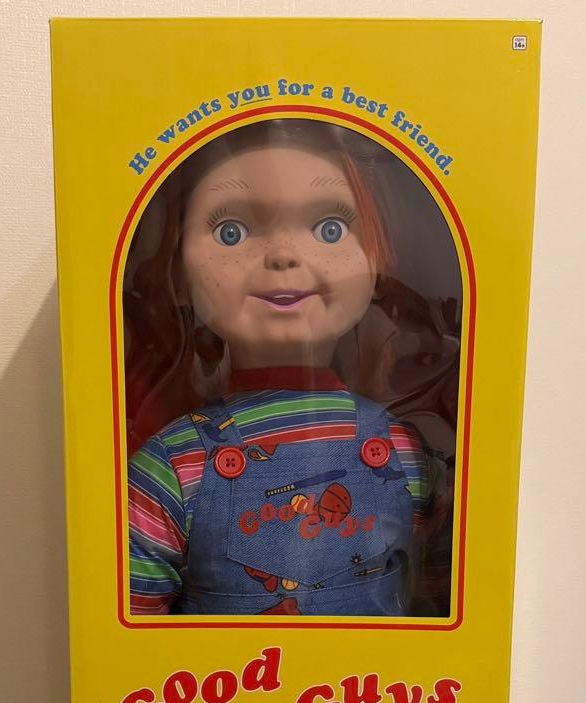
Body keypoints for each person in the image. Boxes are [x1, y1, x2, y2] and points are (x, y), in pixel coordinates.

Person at [126, 120, 431, 616]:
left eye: (330, 228)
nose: (284, 255)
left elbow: (449, 610)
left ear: (377, 261)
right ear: (176, 271)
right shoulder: (171, 466)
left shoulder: (405, 451)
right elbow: (128, 641)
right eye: (231, 231)